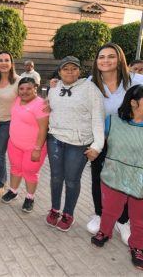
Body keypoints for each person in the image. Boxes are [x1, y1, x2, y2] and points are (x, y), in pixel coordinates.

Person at [87, 43, 143, 244]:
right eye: (101, 57)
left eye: (111, 56)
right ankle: (100, 214)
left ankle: (123, 220)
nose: (105, 60)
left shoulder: (136, 80)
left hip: (130, 143)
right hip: (102, 141)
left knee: (128, 180)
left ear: (119, 59)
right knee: (99, 178)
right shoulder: (91, 82)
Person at [46, 56, 105, 232]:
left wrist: (97, 146)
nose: (70, 71)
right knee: (56, 178)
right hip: (55, 138)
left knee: (72, 180)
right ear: (59, 71)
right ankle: (55, 208)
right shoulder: (54, 89)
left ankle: (68, 213)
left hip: (79, 143)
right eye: (66, 69)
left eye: (74, 68)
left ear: (79, 71)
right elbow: (50, 111)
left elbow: (98, 119)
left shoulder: (90, 89)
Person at [91, 84, 143, 271]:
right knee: (110, 210)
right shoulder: (112, 121)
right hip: (114, 175)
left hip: (140, 180)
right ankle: (104, 232)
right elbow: (99, 142)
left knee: (139, 217)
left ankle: (137, 246)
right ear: (133, 103)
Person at [0, 77, 49, 212]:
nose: (24, 91)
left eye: (29, 88)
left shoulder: (41, 104)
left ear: (35, 89)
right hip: (15, 144)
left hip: (34, 147)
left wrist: (37, 149)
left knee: (30, 171)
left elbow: (43, 128)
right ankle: (13, 191)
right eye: (21, 89)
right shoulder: (16, 100)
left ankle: (30, 197)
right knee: (15, 168)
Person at [0, 51, 21, 199]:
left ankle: (0, 185)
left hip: (7, 123)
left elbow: (31, 96)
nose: (3, 63)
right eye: (0, 60)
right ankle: (0, 178)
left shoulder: (18, 81)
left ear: (12, 63)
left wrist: (53, 86)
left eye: (6, 60)